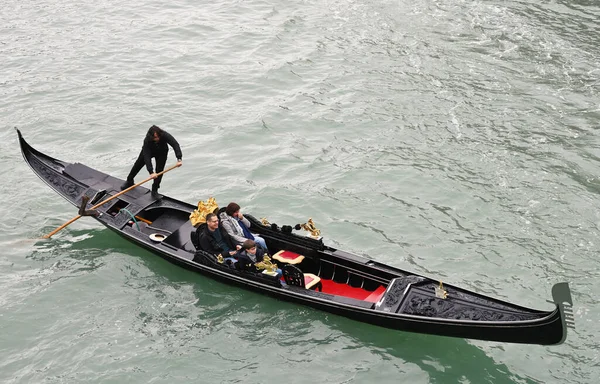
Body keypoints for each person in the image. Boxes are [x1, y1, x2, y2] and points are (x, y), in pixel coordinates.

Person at [121, 125, 183, 199]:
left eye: (158, 137)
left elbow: (175, 144)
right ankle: (129, 180)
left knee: (159, 170)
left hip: (162, 152)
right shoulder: (147, 141)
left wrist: (179, 158)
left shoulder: (164, 134)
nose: (157, 139)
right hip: (149, 151)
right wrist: (151, 172)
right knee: (138, 164)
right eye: (155, 138)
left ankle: (155, 190)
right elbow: (147, 157)